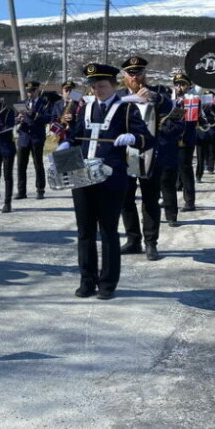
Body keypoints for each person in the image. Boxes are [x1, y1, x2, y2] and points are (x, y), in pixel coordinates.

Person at [59, 63, 153, 300]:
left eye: (102, 85)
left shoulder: (126, 109)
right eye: (93, 86)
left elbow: (148, 139)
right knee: (84, 232)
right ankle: (87, 281)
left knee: (108, 231)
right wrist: (67, 142)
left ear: (113, 85)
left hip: (111, 179)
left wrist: (133, 137)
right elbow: (75, 134)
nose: (97, 90)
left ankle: (107, 284)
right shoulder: (86, 108)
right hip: (83, 177)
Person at [117, 55, 174, 261]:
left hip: (151, 153)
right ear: (124, 76)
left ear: (145, 74)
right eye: (131, 73)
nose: (135, 77)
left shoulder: (158, 92)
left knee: (150, 199)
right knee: (126, 199)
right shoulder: (119, 96)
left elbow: (173, 109)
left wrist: (154, 97)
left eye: (139, 72)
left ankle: (151, 243)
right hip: (126, 154)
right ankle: (133, 240)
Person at [15, 79, 54, 200]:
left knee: (38, 164)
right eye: (28, 91)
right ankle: (21, 191)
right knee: (21, 165)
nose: (30, 94)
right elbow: (14, 118)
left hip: (37, 137)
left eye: (32, 91)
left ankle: (40, 189)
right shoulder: (22, 103)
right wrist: (18, 118)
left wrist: (36, 115)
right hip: (24, 137)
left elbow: (49, 117)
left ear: (37, 90)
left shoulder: (44, 103)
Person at [171, 73, 198, 212]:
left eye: (182, 84)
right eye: (177, 84)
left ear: (188, 86)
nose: (179, 87)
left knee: (185, 169)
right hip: (171, 138)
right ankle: (169, 198)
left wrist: (183, 104)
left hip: (186, 138)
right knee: (170, 169)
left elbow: (192, 119)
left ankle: (189, 201)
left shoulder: (193, 99)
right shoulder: (171, 99)